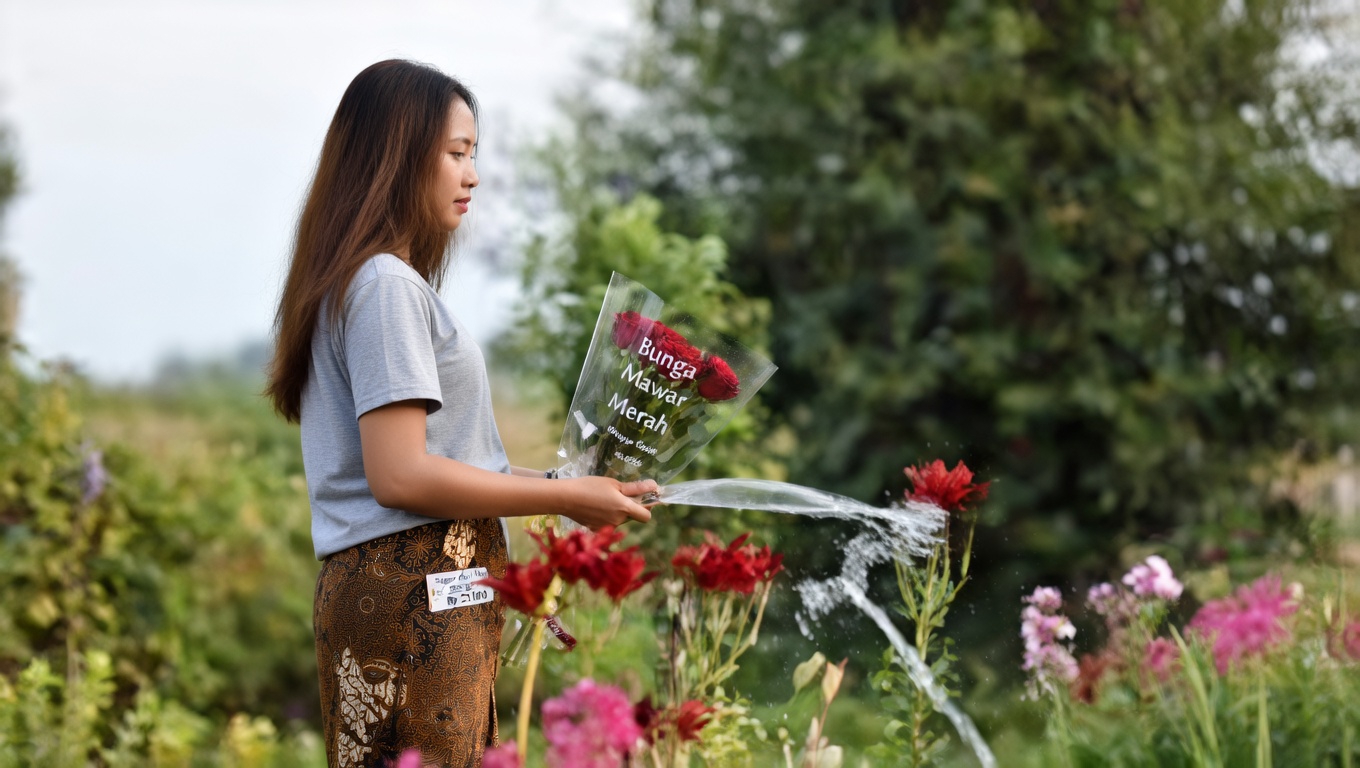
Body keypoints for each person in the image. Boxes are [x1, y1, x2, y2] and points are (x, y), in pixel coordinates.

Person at [265, 59, 655, 768]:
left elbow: (444, 463)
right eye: (455, 154)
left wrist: (574, 489)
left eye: (473, 154)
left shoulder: (370, 281)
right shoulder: (384, 286)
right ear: (394, 156)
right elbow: (401, 477)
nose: (471, 175)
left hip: (415, 585)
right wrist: (563, 493)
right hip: (413, 587)